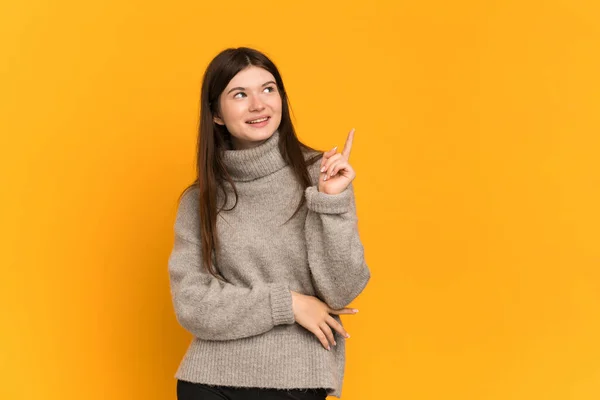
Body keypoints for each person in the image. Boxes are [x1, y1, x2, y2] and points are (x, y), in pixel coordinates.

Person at [168, 47, 371, 399]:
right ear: (216, 114)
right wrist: (288, 303)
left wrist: (331, 202)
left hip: (296, 380)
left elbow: (342, 290)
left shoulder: (320, 176)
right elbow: (192, 303)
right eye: (239, 94)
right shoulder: (199, 200)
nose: (258, 105)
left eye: (268, 89)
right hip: (209, 380)